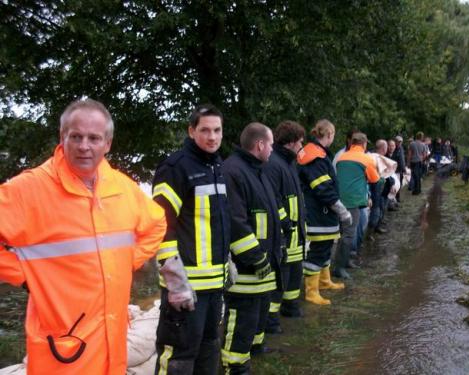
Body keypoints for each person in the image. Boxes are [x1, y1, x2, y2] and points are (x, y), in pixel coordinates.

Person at [0, 99, 166, 374]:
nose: (84, 146)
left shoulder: (123, 189)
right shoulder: (29, 189)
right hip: (63, 347)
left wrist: (125, 262)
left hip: (112, 342)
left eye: (94, 138)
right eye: (75, 136)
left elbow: (156, 224)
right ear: (62, 137)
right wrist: (25, 274)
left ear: (108, 143)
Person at [152, 104, 230, 374]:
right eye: (205, 130)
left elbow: (217, 222)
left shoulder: (216, 165)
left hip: (213, 284)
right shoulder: (175, 167)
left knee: (209, 347)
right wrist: (175, 281)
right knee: (178, 356)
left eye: (217, 130)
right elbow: (160, 226)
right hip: (186, 287)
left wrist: (227, 261)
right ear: (191, 131)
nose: (212, 137)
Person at [221, 123, 283, 374]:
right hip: (246, 267)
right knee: (241, 319)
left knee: (257, 314)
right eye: (270, 145)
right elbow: (236, 221)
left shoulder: (256, 170)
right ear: (260, 145)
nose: (272, 150)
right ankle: (234, 367)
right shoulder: (233, 171)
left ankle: (254, 350)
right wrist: (255, 256)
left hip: (262, 261)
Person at [297, 120, 351, 304]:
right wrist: (341, 209)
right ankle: (311, 291)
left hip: (323, 213)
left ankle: (324, 281)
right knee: (318, 251)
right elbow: (323, 189)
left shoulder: (316, 153)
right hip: (318, 213)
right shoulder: (315, 157)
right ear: (329, 134)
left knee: (326, 248)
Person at [263, 120, 307, 334]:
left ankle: (290, 307)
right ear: (290, 143)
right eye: (300, 142)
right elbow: (274, 199)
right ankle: (271, 320)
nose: (302, 146)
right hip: (284, 232)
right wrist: (286, 224)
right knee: (280, 276)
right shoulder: (274, 163)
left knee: (294, 272)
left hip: (294, 231)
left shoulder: (288, 161)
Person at [335, 132, 381, 279]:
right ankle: (339, 268)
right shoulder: (366, 159)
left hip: (339, 200)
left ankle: (346, 261)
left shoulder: (342, 157)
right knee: (349, 234)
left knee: (344, 232)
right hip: (353, 201)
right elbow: (375, 180)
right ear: (364, 144)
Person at [388, 136, 405, 203]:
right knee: (393, 185)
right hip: (394, 171)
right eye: (398, 141)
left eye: (401, 141)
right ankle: (393, 200)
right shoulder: (393, 150)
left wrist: (403, 168)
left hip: (400, 170)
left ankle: (397, 198)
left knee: (399, 184)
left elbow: (402, 159)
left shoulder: (401, 148)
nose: (400, 143)